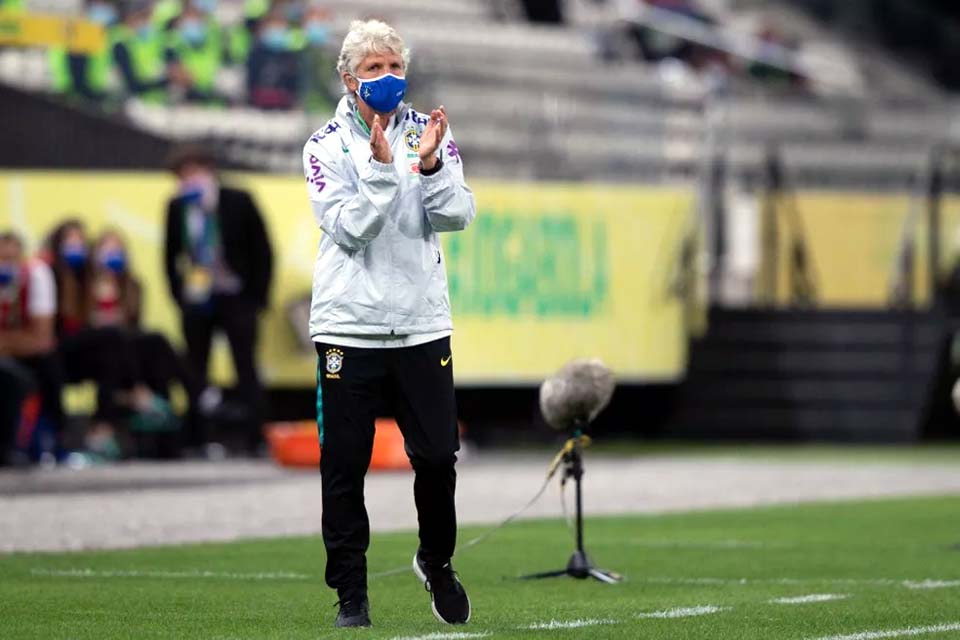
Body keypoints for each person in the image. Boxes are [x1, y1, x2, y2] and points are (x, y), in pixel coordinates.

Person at [302, 19, 475, 629]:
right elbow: (349, 226)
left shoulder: (430, 132)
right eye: (373, 69)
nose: (387, 78)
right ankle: (351, 592)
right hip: (350, 328)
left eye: (394, 66)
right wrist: (380, 170)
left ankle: (437, 560)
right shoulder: (323, 145)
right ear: (349, 79)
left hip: (422, 325)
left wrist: (429, 169)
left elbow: (457, 214)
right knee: (344, 466)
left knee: (437, 458)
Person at [163, 145, 273, 452]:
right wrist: (180, 297)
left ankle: (255, 438)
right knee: (195, 368)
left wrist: (257, 298)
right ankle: (197, 437)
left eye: (192, 173)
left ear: (208, 170)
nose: (188, 181)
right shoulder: (177, 207)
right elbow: (170, 255)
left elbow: (262, 250)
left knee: (245, 366)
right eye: (182, 176)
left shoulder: (238, 200)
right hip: (198, 298)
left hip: (236, 295)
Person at [89, 230, 201, 447]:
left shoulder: (132, 284)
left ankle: (165, 413)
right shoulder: (85, 285)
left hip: (127, 347)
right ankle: (189, 392)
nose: (113, 254)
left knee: (156, 344)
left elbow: (133, 323)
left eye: (117, 249)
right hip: (95, 349)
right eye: (107, 248)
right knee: (120, 343)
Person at [0, 231, 63, 462]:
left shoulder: (35, 275)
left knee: (47, 365)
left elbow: (42, 339)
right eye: (2, 258)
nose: (6, 264)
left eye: (11, 258)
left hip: (27, 356)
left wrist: (8, 342)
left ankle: (54, 440)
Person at [111, 0, 188, 103]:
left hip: (156, 105)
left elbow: (180, 75)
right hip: (125, 105)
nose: (148, 22)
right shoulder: (120, 41)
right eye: (144, 17)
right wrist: (169, 80)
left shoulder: (160, 42)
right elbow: (132, 84)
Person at [49, 0, 117, 105]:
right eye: (99, 4)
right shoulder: (77, 34)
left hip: (93, 98)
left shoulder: (106, 35)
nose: (104, 9)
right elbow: (76, 83)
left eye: (107, 4)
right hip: (67, 98)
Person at [165, 1, 228, 104]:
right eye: (191, 13)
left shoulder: (214, 38)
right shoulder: (172, 41)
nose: (195, 18)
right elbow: (174, 72)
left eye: (198, 13)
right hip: (184, 104)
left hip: (212, 103)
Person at [246, 10, 301, 110]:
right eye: (273, 25)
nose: (276, 30)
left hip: (285, 107)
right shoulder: (256, 53)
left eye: (280, 26)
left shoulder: (291, 55)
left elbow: (295, 84)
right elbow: (250, 81)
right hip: (257, 106)